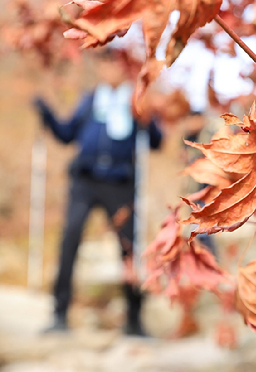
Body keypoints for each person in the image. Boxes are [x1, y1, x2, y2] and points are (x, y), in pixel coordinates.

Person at [33, 48, 162, 336]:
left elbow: (155, 141)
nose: (107, 70)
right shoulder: (91, 100)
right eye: (102, 65)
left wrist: (147, 115)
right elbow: (67, 134)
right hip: (85, 181)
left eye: (112, 64)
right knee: (70, 239)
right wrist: (46, 113)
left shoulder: (135, 100)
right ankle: (59, 313)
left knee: (130, 246)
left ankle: (134, 318)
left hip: (121, 183)